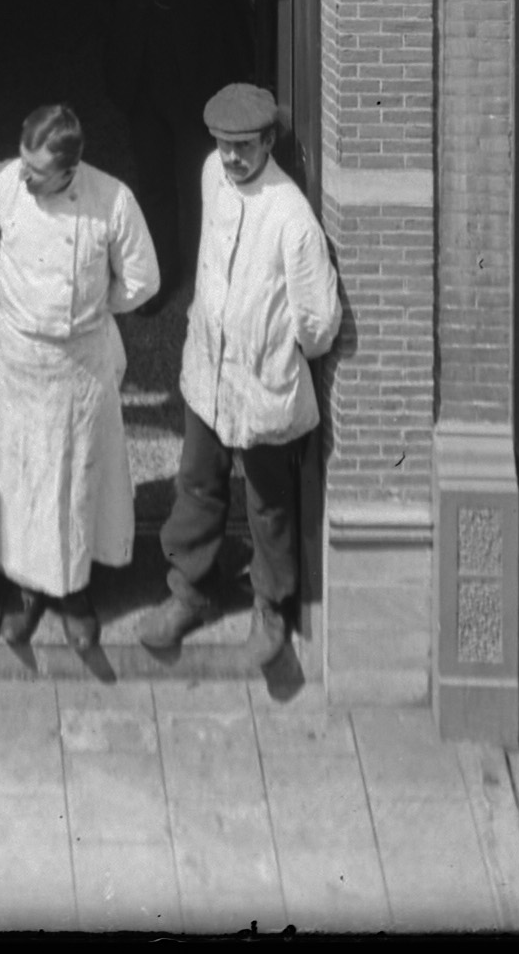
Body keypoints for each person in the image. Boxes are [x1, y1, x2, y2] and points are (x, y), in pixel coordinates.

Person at [130, 79, 337, 676]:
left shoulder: (292, 217)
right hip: (207, 370)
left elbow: (320, 322)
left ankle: (270, 608)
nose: (231, 156)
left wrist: (275, 351)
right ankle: (190, 592)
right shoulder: (209, 174)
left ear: (268, 141)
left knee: (268, 503)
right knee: (197, 483)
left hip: (264, 382)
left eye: (244, 146)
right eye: (223, 144)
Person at [0, 99, 157, 671]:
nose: (24, 177)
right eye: (23, 162)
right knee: (21, 477)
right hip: (19, 359)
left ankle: (74, 594)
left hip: (80, 364)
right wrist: (23, 311)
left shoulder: (112, 201)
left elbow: (142, 281)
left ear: (71, 169)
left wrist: (90, 313)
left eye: (38, 171)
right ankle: (25, 590)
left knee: (75, 479)